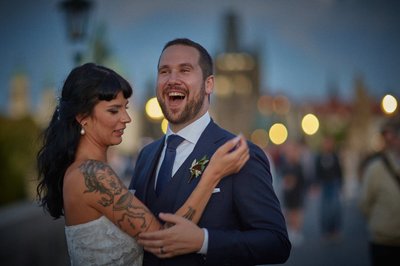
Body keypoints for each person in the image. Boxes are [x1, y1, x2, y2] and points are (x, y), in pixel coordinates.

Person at [36, 63, 250, 266]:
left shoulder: (84, 170)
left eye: (126, 108)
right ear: (83, 118)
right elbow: (164, 241)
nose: (126, 118)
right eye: (114, 110)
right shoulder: (92, 174)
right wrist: (212, 173)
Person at [129, 38, 291, 265]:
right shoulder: (146, 156)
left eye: (185, 70)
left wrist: (204, 241)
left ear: (209, 84)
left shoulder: (240, 154)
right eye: (164, 71)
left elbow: (276, 243)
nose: (172, 80)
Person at [358, 116, 400, 266]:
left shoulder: (375, 168)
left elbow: (365, 203)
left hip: (382, 235)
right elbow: (365, 202)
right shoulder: (376, 168)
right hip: (383, 239)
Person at [315, 135, 343, 241]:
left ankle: (335, 230)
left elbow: (340, 171)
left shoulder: (335, 156)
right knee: (324, 210)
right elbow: (317, 171)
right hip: (324, 185)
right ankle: (325, 231)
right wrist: (316, 184)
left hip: (334, 184)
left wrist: (341, 184)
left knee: (336, 208)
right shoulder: (319, 157)